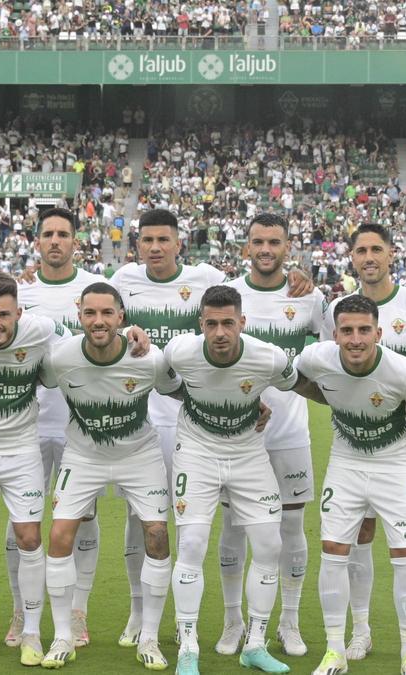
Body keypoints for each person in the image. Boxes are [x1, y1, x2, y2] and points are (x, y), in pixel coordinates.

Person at [0, 273, 150, 666]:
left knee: (29, 537)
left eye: (4, 315)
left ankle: (32, 633)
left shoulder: (41, 329)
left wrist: (132, 330)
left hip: (22, 449)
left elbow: (90, 336)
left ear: (19, 312)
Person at [109, 208, 312, 646]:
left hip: (244, 428)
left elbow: (263, 276)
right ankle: (139, 613)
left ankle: (269, 622)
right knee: (142, 518)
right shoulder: (121, 280)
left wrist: (298, 274)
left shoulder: (211, 280)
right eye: (148, 240)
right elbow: (96, 316)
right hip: (158, 419)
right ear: (137, 244)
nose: (157, 247)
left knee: (257, 527)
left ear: (181, 242)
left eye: (166, 239)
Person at [327, 223, 406, 663]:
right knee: (359, 535)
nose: (369, 257)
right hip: (356, 446)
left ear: (390, 254)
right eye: (360, 250)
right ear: (351, 257)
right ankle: (360, 630)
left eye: (376, 249)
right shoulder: (337, 309)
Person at [38, 282, 180, 670]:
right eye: (90, 313)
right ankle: (63, 636)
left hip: (140, 453)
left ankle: (149, 637)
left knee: (157, 534)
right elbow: (23, 374)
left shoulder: (149, 358)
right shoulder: (60, 358)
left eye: (106, 313)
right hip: (83, 455)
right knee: (59, 534)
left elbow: (183, 390)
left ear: (121, 317)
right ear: (79, 315)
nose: (98, 321)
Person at [297, 294, 406, 675]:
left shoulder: (405, 371)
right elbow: (293, 378)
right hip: (346, 462)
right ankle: (334, 652)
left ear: (379, 332)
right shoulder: (316, 359)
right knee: (333, 551)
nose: (355, 339)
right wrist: (326, 395)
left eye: (364, 330)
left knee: (404, 553)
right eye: (347, 331)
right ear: (334, 333)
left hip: (396, 465)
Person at [164, 285, 301, 675]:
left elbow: (296, 384)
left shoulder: (269, 357)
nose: (220, 332)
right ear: (200, 324)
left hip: (247, 454)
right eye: (212, 324)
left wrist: (256, 402)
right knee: (191, 542)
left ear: (243, 322)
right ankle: (187, 646)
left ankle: (254, 644)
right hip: (196, 454)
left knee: (270, 544)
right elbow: (162, 382)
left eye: (228, 323)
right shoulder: (180, 352)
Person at [218, 213, 329, 657]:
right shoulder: (228, 295)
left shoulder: (309, 297)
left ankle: (290, 621)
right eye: (258, 241)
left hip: (289, 434)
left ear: (288, 247)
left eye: (275, 242)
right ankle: (232, 622)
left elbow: (328, 354)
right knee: (233, 526)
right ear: (246, 246)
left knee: (291, 525)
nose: (266, 249)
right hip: (236, 434)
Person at [16, 208, 109, 648]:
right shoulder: (18, 294)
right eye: (48, 234)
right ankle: (22, 610)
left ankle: (79, 611)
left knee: (83, 519)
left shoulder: (95, 288)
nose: (55, 241)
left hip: (81, 427)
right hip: (28, 426)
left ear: (76, 241)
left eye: (63, 234)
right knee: (24, 523)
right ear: (37, 241)